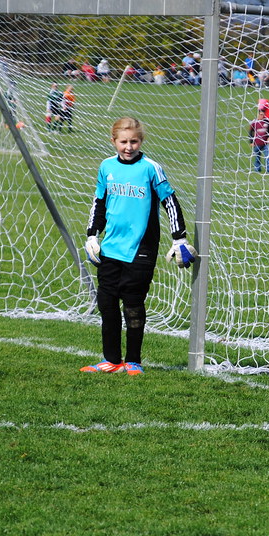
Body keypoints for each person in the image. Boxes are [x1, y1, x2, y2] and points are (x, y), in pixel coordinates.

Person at [81, 117, 196, 376]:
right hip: (110, 247)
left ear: (141, 141)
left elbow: (170, 202)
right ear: (113, 142)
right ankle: (111, 359)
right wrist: (92, 236)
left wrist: (179, 238)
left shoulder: (150, 168)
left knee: (133, 303)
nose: (128, 146)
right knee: (106, 302)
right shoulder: (106, 167)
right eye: (123, 141)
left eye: (134, 141)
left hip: (142, 248)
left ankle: (133, 360)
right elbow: (98, 202)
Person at [248, 106, 269, 173]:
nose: (262, 116)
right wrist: (251, 141)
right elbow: (251, 132)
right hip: (257, 143)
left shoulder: (267, 122)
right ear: (258, 114)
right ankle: (257, 169)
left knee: (268, 157)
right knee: (257, 158)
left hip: (266, 143)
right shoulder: (254, 122)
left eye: (263, 114)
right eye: (261, 114)